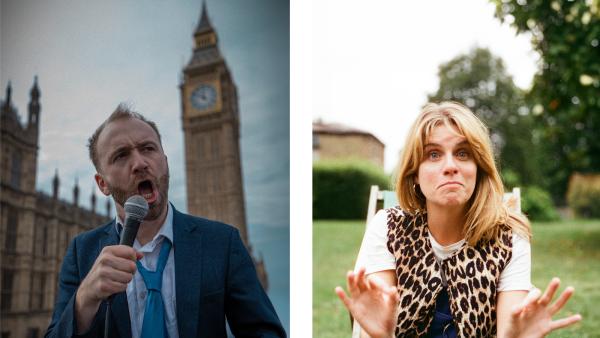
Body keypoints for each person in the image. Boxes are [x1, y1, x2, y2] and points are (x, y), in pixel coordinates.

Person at [335, 102, 582, 337]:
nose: (450, 166)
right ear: (415, 174)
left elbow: (510, 331)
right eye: (433, 154)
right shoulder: (388, 227)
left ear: (479, 168)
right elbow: (375, 324)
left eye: (463, 153)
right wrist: (382, 336)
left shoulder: (509, 236)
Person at [45, 104, 285, 338]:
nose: (140, 163)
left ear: (165, 161)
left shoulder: (222, 242)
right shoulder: (81, 253)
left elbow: (265, 331)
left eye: (148, 148)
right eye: (121, 155)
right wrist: (84, 300)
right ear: (102, 184)